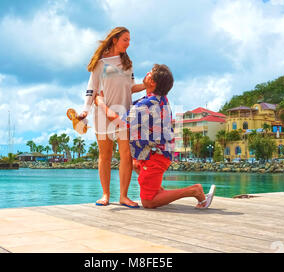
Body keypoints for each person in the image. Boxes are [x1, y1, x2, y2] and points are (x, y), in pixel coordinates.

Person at [95, 64, 216, 209]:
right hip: (153, 153)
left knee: (148, 202)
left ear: (152, 82)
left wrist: (100, 103)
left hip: (155, 156)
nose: (146, 73)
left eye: (150, 74)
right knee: (134, 164)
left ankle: (194, 191)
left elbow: (119, 122)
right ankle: (157, 191)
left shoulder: (145, 105)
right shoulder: (159, 97)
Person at [78, 27, 145, 207]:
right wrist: (85, 110)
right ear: (115, 40)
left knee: (125, 155)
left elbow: (131, 87)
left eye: (129, 40)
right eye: (125, 39)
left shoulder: (128, 64)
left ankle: (123, 196)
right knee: (105, 155)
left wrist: (146, 85)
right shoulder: (101, 63)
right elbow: (92, 88)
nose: (128, 43)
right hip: (103, 114)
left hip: (123, 113)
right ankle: (106, 194)